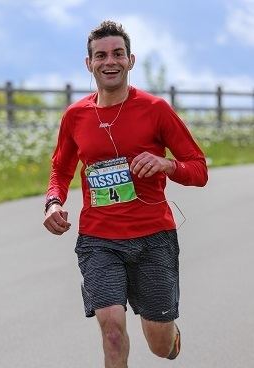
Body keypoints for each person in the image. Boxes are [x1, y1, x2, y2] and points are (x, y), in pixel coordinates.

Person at [43, 20, 208, 367]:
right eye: (100, 55)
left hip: (153, 239)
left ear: (130, 60)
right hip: (99, 239)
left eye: (118, 53)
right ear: (89, 64)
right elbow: (60, 169)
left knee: (160, 345)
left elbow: (198, 169)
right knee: (112, 332)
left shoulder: (155, 109)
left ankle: (170, 337)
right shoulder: (75, 116)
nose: (110, 61)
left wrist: (167, 166)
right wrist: (53, 202)